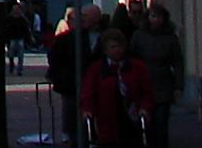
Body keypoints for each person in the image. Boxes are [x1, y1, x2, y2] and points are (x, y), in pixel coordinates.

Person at [79, 27, 153, 148]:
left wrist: (145, 108)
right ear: (105, 50)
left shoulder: (137, 67)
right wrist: (87, 109)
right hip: (107, 119)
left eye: (120, 46)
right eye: (113, 47)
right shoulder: (96, 69)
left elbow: (147, 91)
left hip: (132, 118)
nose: (117, 50)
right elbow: (88, 93)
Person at [130, 4, 185, 148]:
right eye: (153, 16)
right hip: (142, 83)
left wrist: (179, 85)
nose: (156, 20)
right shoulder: (139, 35)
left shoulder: (170, 38)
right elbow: (131, 57)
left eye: (159, 17)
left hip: (163, 83)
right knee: (145, 121)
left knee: (161, 122)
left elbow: (178, 62)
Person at [47, 8, 82, 145]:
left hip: (71, 79)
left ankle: (71, 133)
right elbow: (54, 57)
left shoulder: (81, 36)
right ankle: (68, 133)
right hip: (68, 81)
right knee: (69, 107)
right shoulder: (63, 37)